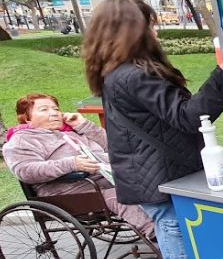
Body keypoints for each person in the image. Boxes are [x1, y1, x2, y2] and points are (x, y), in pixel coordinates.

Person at [82, 0, 223, 259]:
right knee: (180, 258)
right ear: (134, 30)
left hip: (153, 178)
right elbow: (190, 115)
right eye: (149, 23)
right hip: (159, 183)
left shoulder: (117, 73)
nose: (155, 30)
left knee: (183, 254)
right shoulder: (133, 76)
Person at [2, 94, 155, 238]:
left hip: (105, 178)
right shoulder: (22, 141)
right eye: (44, 109)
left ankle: (170, 225)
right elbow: (25, 171)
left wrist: (84, 125)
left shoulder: (71, 131)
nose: (54, 113)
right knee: (123, 195)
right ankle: (159, 236)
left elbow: (117, 147)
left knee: (153, 179)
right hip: (69, 191)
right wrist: (72, 164)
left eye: (56, 109)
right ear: (26, 118)